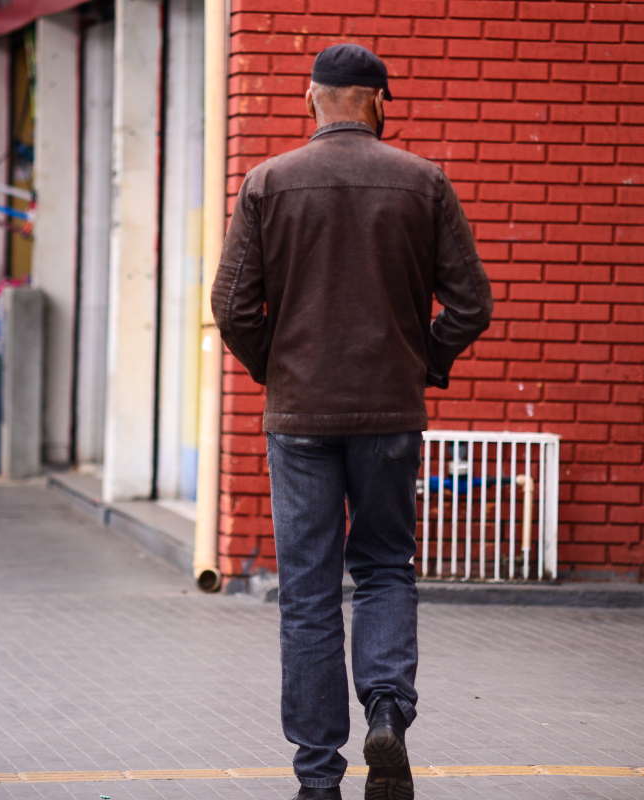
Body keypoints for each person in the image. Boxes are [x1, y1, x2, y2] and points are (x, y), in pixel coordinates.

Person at [212, 44, 493, 800]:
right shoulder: (423, 181)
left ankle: (316, 777)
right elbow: (472, 304)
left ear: (312, 99)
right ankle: (388, 717)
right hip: (390, 411)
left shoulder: (267, 182)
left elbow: (231, 306)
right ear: (379, 103)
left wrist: (279, 367)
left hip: (299, 413)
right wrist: (421, 361)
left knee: (306, 591)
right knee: (383, 567)